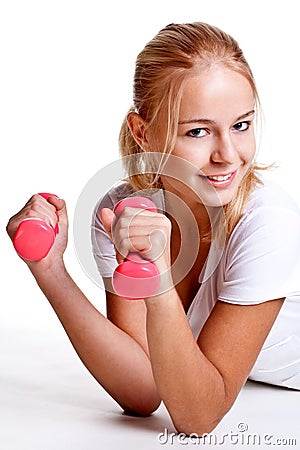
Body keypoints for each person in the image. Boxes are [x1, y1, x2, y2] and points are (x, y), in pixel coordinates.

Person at [7, 22, 300, 436]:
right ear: (143, 132)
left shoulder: (270, 223)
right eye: (198, 131)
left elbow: (198, 418)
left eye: (241, 125)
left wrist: (159, 283)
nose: (229, 155)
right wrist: (50, 270)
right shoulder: (122, 213)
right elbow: (143, 390)